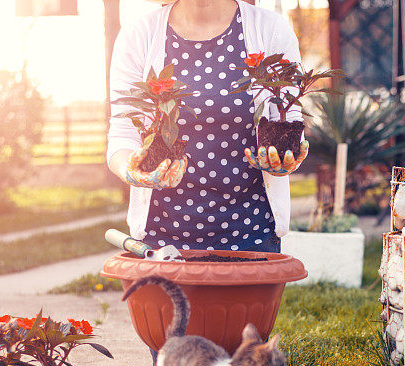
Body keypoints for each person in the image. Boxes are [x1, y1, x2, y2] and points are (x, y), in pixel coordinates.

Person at [107, 0, 308, 255]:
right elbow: (122, 134)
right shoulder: (139, 34)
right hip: (161, 239)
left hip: (253, 235)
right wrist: (132, 171)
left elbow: (289, 119)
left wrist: (285, 160)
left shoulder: (270, 29)